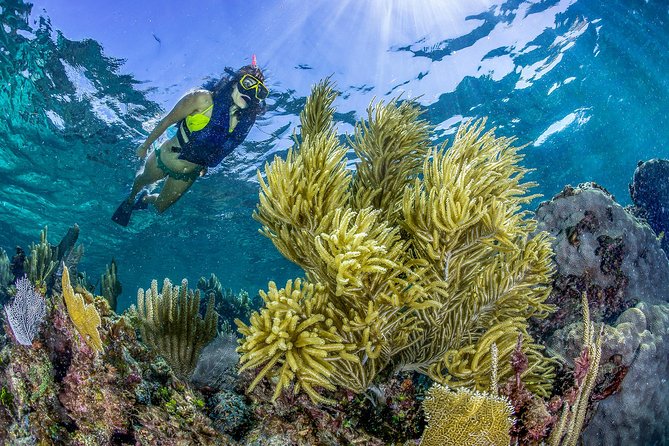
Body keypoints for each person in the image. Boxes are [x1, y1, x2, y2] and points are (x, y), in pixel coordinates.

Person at [112, 58, 269, 226]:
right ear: (234, 82)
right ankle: (130, 200)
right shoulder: (202, 99)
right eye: (248, 83)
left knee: (159, 207)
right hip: (164, 159)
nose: (251, 93)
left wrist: (205, 165)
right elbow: (167, 121)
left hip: (189, 174)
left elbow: (216, 147)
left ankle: (145, 198)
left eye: (259, 92)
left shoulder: (242, 123)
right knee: (142, 180)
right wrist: (144, 146)